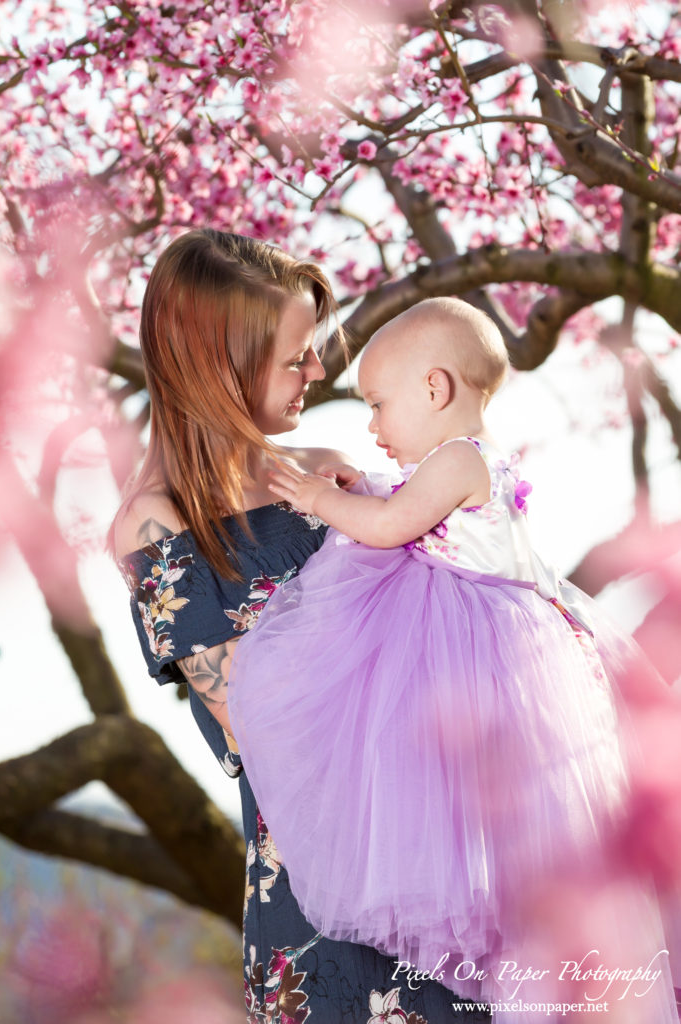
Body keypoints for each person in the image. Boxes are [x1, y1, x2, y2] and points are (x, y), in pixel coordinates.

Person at [228, 297, 678, 1021]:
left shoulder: (459, 459)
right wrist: (361, 489)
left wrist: (318, 497)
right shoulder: (456, 462)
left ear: (434, 390)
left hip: (484, 652)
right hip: (486, 641)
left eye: (378, 403)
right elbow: (398, 506)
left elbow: (387, 526)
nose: (370, 424)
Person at [112, 232, 490, 1024]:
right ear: (222, 362)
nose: (318, 373)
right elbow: (262, 730)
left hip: (459, 850)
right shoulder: (157, 527)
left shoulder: (325, 468)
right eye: (295, 357)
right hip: (330, 899)